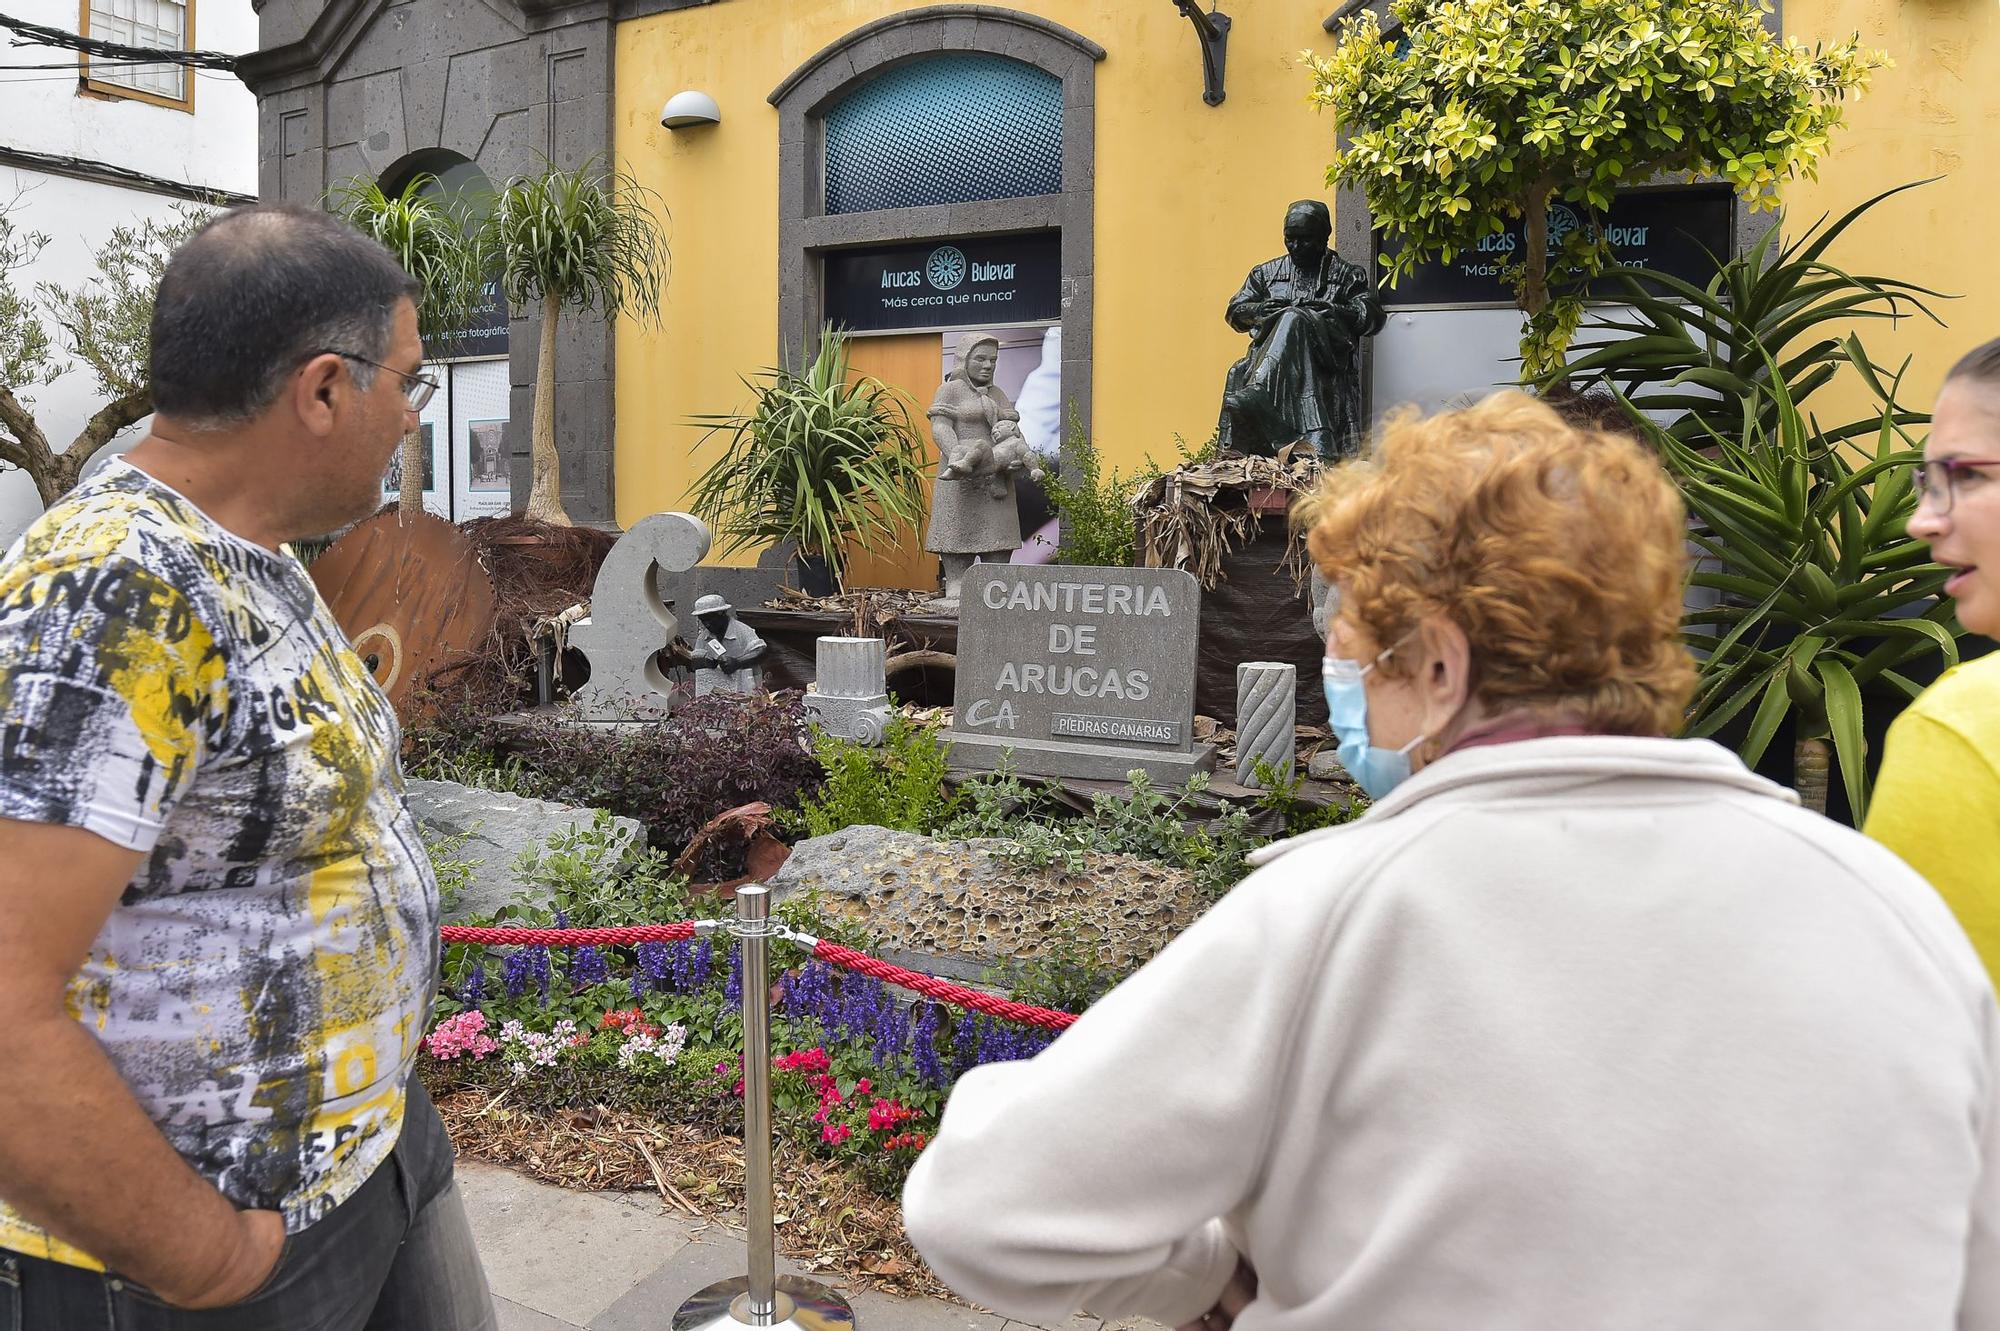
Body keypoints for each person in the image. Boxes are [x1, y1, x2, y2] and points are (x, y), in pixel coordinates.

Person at [902, 391, 2000, 1330]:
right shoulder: (1889, 912)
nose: (1347, 696)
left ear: (1436, 662)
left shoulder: (1336, 911)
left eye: (1353, 657)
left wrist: (1209, 1267)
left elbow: (980, 1205)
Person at [0, 205, 496, 1328]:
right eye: (406, 384)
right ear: (324, 389)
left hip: (369, 1163)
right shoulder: (108, 592)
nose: (411, 421)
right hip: (206, 1251)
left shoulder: (251, 552)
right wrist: (211, 1259)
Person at [1866, 338, 2000, 989]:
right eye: (1929, 482)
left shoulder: (1962, 730)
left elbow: (1900, 1035)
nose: (1921, 520)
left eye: (1967, 475)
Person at [1217, 200, 1385, 460]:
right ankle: (1307, 431)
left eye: (1305, 240)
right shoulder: (1266, 274)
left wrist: (1337, 311)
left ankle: (1260, 393)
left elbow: (1372, 317)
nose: (1296, 246)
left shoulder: (1348, 275)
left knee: (1295, 317)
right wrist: (1260, 311)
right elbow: (1235, 312)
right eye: (1290, 238)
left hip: (1325, 363)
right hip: (1270, 362)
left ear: (1324, 237)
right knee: (1287, 320)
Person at [925, 332, 1027, 603]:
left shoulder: (998, 394)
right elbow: (940, 426)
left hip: (996, 471)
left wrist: (1020, 453)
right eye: (980, 359)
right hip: (961, 470)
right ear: (963, 359)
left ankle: (996, 584)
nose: (988, 365)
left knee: (997, 532)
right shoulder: (950, 390)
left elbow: (1013, 430)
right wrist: (955, 453)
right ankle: (957, 581)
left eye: (992, 360)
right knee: (958, 528)